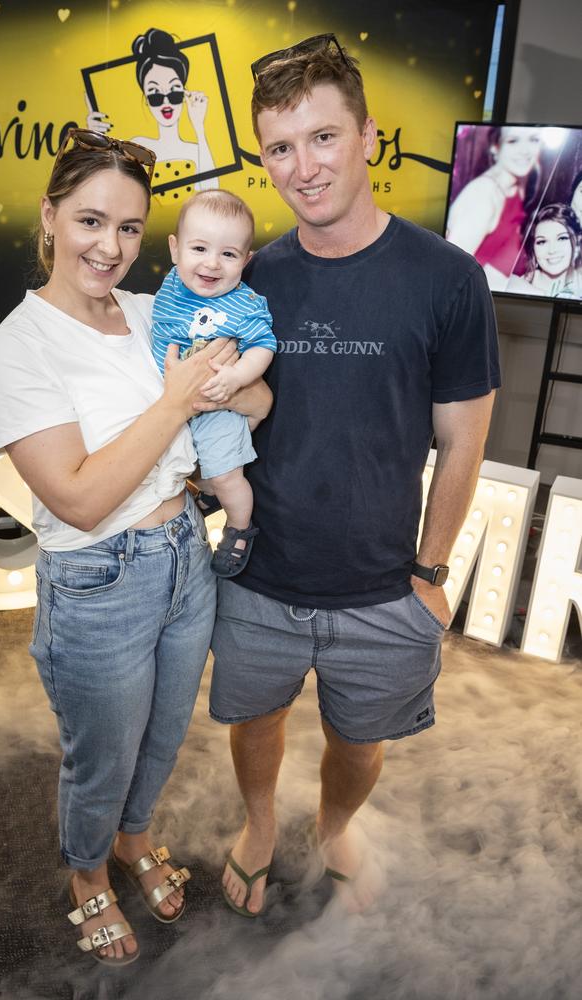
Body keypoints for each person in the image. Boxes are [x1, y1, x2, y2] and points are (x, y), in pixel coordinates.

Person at [206, 34, 500, 916]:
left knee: (358, 739)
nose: (304, 166)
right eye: (281, 148)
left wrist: (431, 571)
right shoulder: (249, 278)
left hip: (384, 588)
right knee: (255, 722)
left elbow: (464, 438)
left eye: (324, 137)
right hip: (259, 572)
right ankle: (259, 824)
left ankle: (334, 826)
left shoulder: (448, 279)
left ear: (369, 135)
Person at [0, 129, 271, 964]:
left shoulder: (157, 312)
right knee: (100, 756)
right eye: (91, 222)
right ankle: (86, 876)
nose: (111, 248)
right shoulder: (17, 347)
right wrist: (181, 402)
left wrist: (231, 388)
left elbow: (259, 402)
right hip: (100, 577)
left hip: (187, 548)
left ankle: (134, 839)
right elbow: (77, 493)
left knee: (163, 736)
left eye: (131, 228)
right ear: (50, 217)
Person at [152, 190, 277, 577]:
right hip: (168, 405)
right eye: (200, 248)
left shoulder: (246, 303)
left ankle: (239, 528)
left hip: (217, 405)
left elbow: (264, 346)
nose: (211, 264)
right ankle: (210, 496)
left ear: (246, 260)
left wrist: (235, 378)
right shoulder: (171, 285)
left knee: (226, 475)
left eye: (228, 254)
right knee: (186, 473)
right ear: (175, 249)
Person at [86, 27, 218, 200]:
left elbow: (212, 194)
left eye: (174, 91)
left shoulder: (196, 151)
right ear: (146, 99)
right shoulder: (136, 147)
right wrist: (94, 144)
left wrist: (199, 128)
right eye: (155, 94)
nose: (166, 102)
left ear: (185, 94)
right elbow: (106, 191)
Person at [446, 125, 542, 290]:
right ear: (495, 148)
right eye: (513, 141)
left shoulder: (517, 188)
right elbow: (448, 270)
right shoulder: (483, 193)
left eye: (533, 139)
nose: (525, 150)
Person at [506, 203, 582, 299]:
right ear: (533, 248)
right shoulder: (514, 286)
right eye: (542, 242)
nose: (552, 250)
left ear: (577, 241)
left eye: (562, 238)